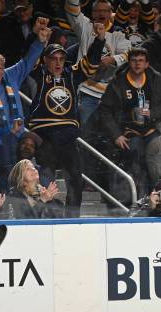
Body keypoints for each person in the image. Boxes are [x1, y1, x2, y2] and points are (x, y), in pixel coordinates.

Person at [29, 24, 106, 218]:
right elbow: (28, 61)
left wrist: (99, 40)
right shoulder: (39, 73)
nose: (58, 63)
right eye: (53, 59)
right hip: (44, 135)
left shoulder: (71, 75)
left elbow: (90, 65)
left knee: (76, 181)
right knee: (46, 180)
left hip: (68, 137)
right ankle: (46, 217)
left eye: (61, 59)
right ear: (45, 60)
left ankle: (72, 219)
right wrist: (39, 42)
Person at [0, 17, 50, 190]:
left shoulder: (11, 76)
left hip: (10, 140)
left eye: (0, 68)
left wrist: (40, 41)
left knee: (11, 182)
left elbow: (27, 62)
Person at [98, 47, 161, 198]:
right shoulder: (118, 82)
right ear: (128, 62)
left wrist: (153, 113)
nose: (137, 64)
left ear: (146, 64)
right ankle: (140, 199)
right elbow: (104, 111)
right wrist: (116, 135)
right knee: (136, 153)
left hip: (152, 129)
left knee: (158, 153)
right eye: (133, 60)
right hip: (128, 131)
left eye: (141, 61)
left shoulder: (155, 79)